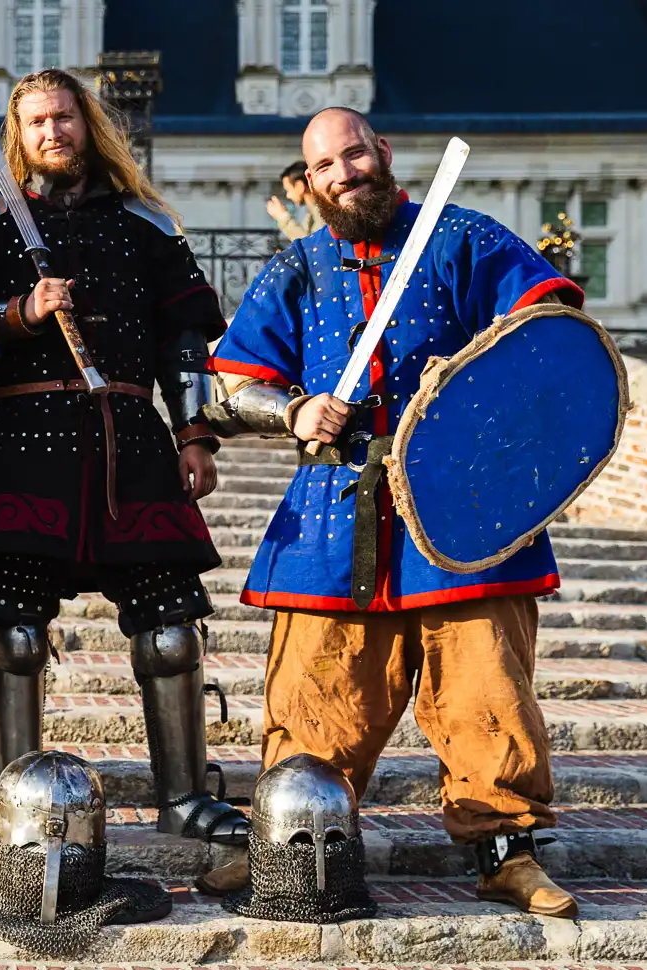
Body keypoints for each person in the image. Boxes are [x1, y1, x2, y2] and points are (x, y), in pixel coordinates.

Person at [203, 107, 583, 916]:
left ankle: (506, 851)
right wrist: (294, 412)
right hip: (337, 508)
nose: (346, 173)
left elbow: (552, 333)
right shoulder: (297, 268)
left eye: (355, 154)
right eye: (326, 166)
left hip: (463, 510)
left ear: (382, 153)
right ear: (307, 185)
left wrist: (481, 386)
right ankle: (284, 840)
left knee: (489, 692)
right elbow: (232, 386)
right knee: (315, 694)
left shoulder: (464, 240)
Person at [0, 69, 247, 845]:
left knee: (171, 632)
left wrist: (196, 434)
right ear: (17, 133)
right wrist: (16, 312)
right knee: (11, 632)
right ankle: (20, 801)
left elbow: (184, 339)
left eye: (65, 117)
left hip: (130, 438)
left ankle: (182, 799)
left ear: (88, 124)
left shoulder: (145, 222)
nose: (53, 132)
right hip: (20, 438)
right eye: (36, 121)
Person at [265, 160, 324, 243]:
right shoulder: (313, 212)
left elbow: (311, 246)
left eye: (288, 190)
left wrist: (282, 216)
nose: (288, 196)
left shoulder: (322, 211)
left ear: (299, 186)